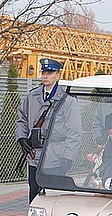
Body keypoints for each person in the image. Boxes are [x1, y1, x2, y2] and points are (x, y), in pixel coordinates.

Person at [15, 58, 82, 203]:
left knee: (52, 195)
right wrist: (21, 138)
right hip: (35, 154)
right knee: (34, 191)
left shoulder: (67, 100)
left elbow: (74, 131)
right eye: (44, 72)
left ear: (57, 75)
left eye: (50, 73)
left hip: (56, 155)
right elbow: (22, 119)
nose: (46, 76)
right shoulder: (31, 96)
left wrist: (68, 158)